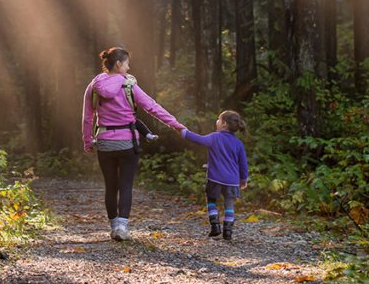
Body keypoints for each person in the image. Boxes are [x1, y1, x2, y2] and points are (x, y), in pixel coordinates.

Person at [82, 46, 186, 241]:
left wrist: (88, 141)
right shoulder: (129, 85)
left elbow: (88, 117)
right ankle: (122, 227)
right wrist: (176, 125)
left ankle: (114, 227)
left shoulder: (94, 85)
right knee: (126, 185)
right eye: (127, 64)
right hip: (127, 143)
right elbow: (152, 107)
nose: (128, 68)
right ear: (118, 64)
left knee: (110, 186)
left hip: (104, 142)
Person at [181, 110, 248, 241]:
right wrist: (243, 179)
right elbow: (243, 164)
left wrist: (184, 132)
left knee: (211, 200)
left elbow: (198, 139)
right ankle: (228, 231)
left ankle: (215, 225)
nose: (216, 121)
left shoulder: (215, 137)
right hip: (232, 180)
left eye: (218, 119)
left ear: (224, 124)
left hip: (215, 178)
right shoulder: (238, 143)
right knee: (229, 204)